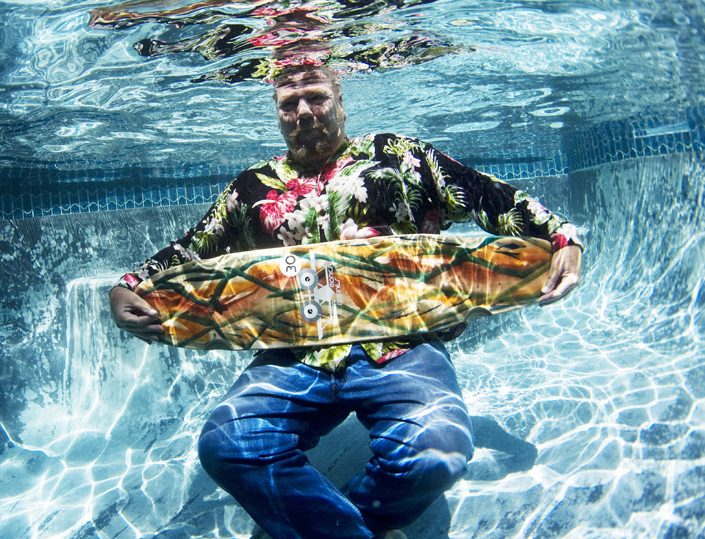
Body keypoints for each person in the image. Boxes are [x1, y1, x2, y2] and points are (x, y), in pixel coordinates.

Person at [108, 63, 582, 539]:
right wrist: (129, 285)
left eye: (316, 97)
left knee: (439, 453)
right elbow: (193, 248)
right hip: (295, 352)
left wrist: (561, 239)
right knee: (226, 446)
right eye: (288, 104)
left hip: (400, 344)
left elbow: (485, 195)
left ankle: (341, 524)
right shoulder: (251, 187)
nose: (303, 112)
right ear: (277, 115)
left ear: (340, 100)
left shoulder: (399, 157)